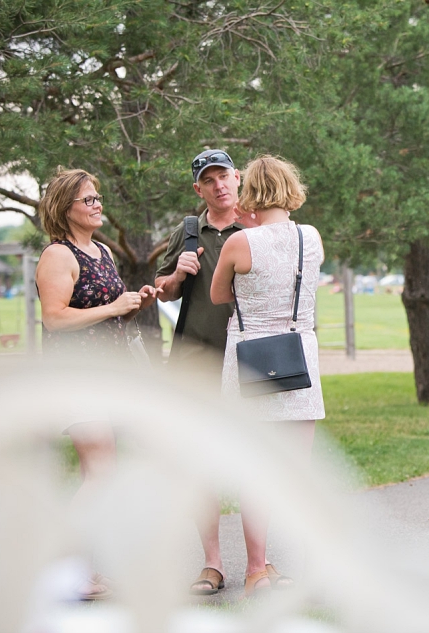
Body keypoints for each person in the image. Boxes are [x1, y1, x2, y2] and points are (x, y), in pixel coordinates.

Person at [154, 150, 279, 596]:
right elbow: (163, 291)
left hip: (253, 357)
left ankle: (259, 565)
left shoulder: (260, 226)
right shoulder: (188, 232)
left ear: (237, 177)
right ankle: (212, 566)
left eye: (224, 176)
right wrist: (176, 276)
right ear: (199, 190)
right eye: (209, 180)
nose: (219, 185)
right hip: (197, 361)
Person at [35, 168, 160, 599]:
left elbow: (107, 310)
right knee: (101, 471)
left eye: (98, 198)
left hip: (108, 374)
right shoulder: (58, 256)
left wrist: (132, 304)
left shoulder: (103, 251)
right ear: (65, 208)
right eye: (88, 200)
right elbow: (55, 318)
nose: (97, 204)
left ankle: (81, 574)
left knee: (99, 473)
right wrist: (111, 309)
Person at [210, 155, 325, 596]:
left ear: (249, 193)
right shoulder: (310, 238)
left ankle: (256, 567)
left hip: (251, 359)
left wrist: (245, 226)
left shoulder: (240, 243)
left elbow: (221, 294)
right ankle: (298, 563)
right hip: (300, 355)